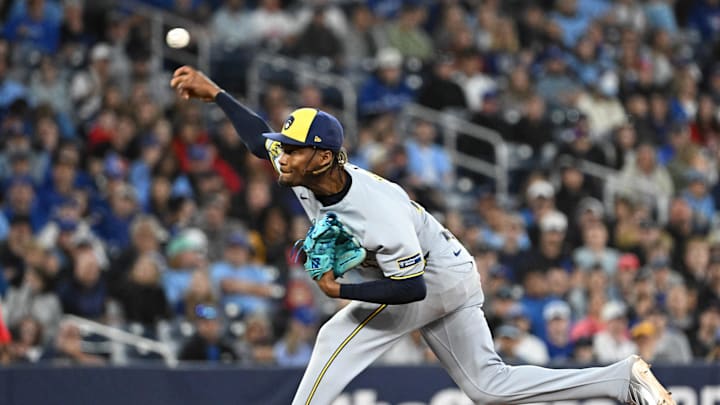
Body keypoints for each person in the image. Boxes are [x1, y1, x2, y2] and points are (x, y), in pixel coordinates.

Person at [170, 65, 675, 405]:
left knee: (333, 336)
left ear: (323, 156)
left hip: (433, 277)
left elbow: (410, 290)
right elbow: (258, 138)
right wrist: (216, 94)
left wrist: (339, 291)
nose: (282, 155)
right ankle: (619, 379)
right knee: (488, 388)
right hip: (448, 267)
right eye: (285, 147)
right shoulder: (303, 167)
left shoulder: (374, 210)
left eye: (293, 149)